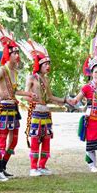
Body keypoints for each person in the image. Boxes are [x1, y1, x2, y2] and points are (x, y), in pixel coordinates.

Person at [0, 35, 36, 181]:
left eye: (18, 53)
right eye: (15, 53)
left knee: (14, 140)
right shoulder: (2, 70)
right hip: (4, 108)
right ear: (8, 55)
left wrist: (28, 93)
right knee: (1, 140)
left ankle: (3, 167)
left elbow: (14, 91)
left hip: (13, 108)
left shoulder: (14, 71)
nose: (17, 55)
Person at [20, 39, 70, 176]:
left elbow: (50, 97)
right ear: (40, 65)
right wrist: (31, 97)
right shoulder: (31, 78)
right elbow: (24, 95)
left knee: (46, 139)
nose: (48, 66)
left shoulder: (46, 80)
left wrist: (65, 100)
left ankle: (42, 165)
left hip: (46, 113)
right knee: (35, 139)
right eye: (45, 64)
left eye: (49, 63)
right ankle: (33, 168)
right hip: (36, 112)